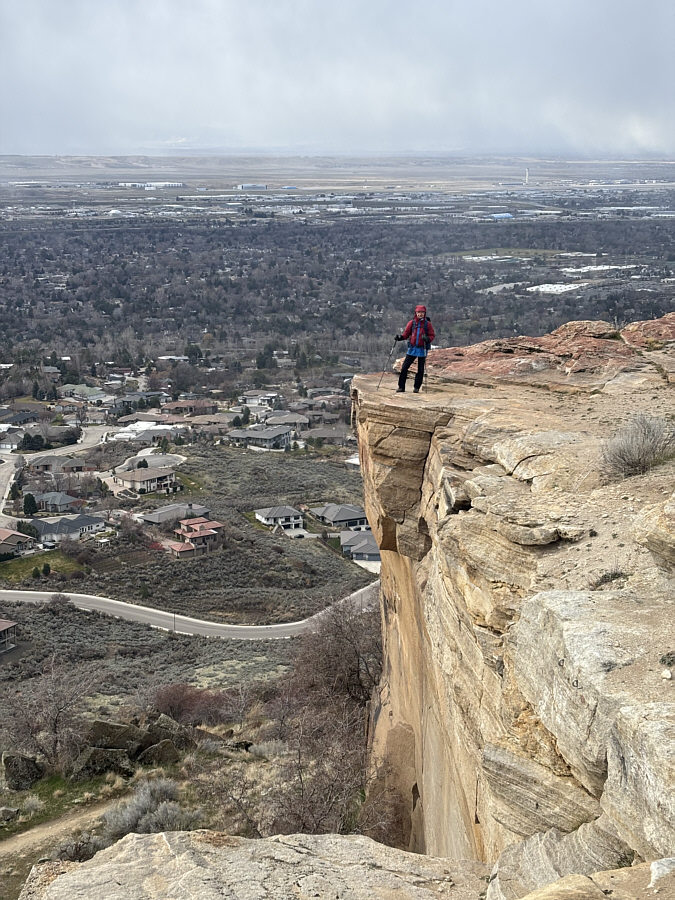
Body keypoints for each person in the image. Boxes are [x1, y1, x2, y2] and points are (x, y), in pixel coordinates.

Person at [395, 305, 435, 393]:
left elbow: (432, 335)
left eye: (422, 312)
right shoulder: (412, 323)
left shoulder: (427, 324)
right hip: (412, 348)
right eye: (419, 312)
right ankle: (401, 387)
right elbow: (406, 334)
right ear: (416, 313)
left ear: (424, 313)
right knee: (404, 367)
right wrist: (400, 337)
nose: (420, 314)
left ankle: (416, 387)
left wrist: (427, 339)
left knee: (420, 369)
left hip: (422, 349)